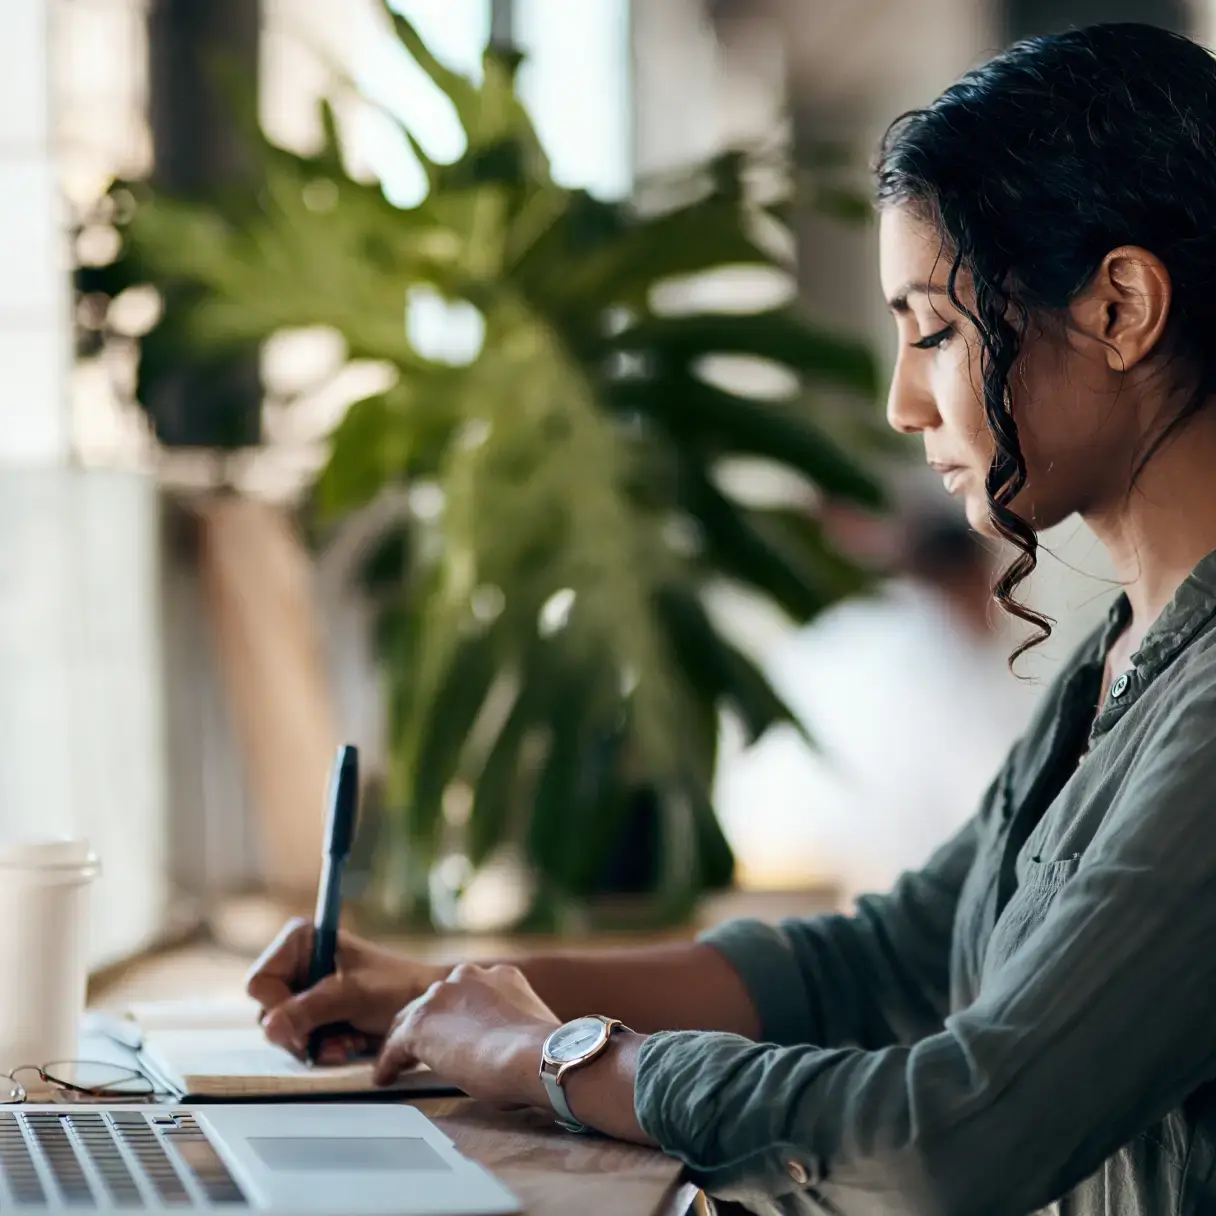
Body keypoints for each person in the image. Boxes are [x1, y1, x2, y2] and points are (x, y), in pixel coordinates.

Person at [247, 24, 1216, 1214]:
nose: (906, 401)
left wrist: (554, 1058)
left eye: (937, 331)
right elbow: (884, 962)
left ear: (1121, 306)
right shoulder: (1121, 660)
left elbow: (952, 1135)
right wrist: (447, 995)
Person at [713, 503, 1038, 901]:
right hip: (876, 903)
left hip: (761, 885)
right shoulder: (941, 648)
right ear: (972, 579)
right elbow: (1007, 805)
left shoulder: (828, 633)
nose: (1008, 615)